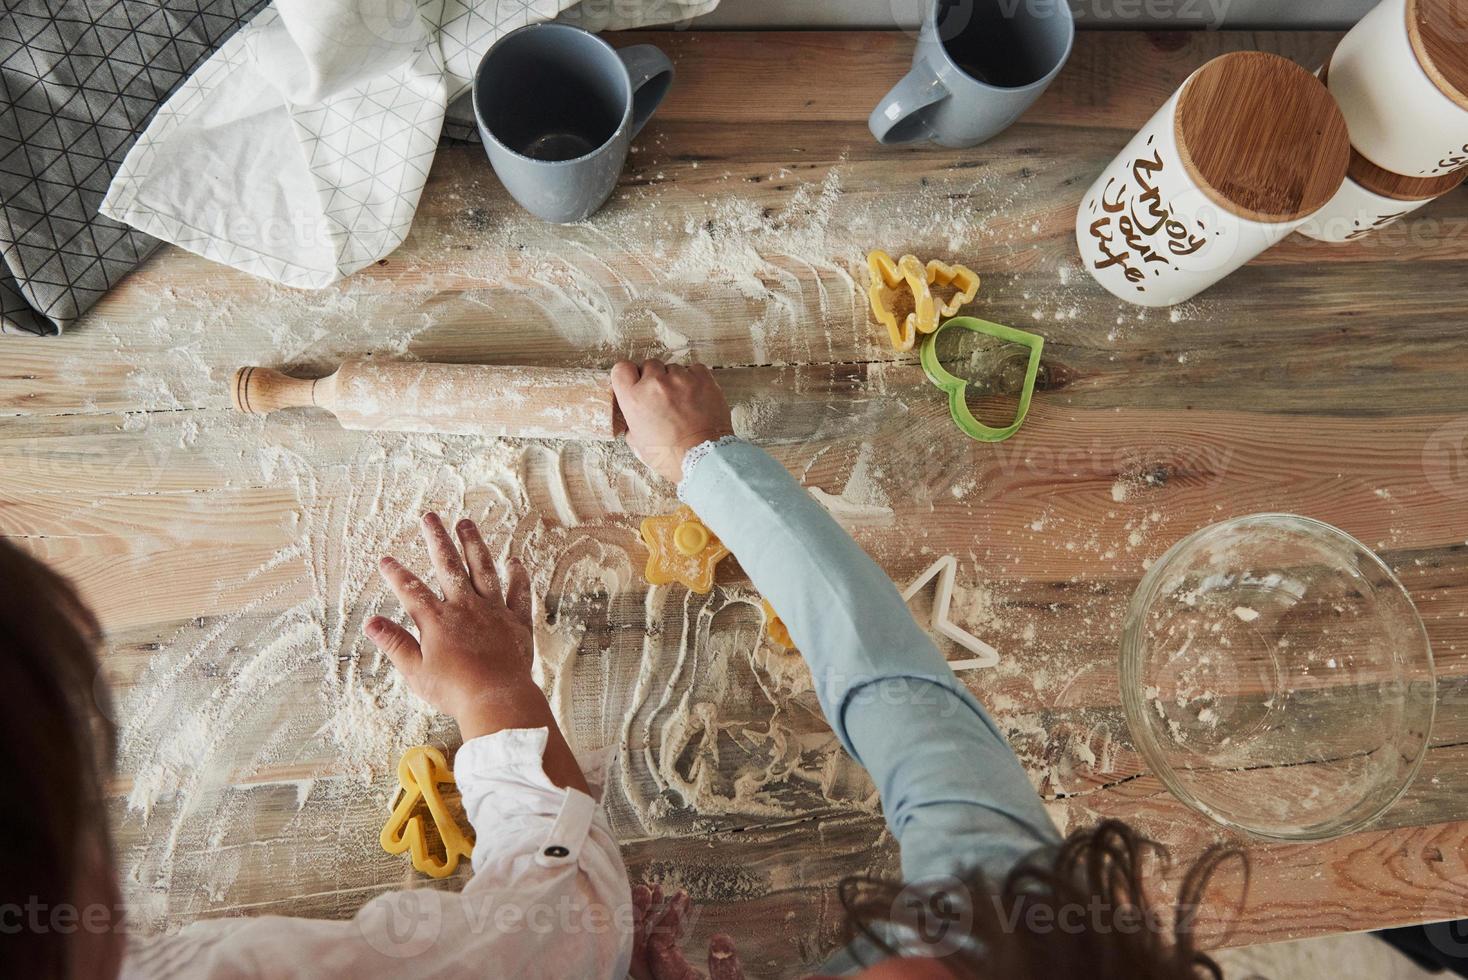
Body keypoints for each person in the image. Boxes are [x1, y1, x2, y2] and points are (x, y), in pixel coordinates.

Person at [1, 360, 1236, 980]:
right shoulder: (1008, 936)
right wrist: (707, 469)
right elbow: (907, 699)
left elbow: (558, 919)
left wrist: (500, 701)